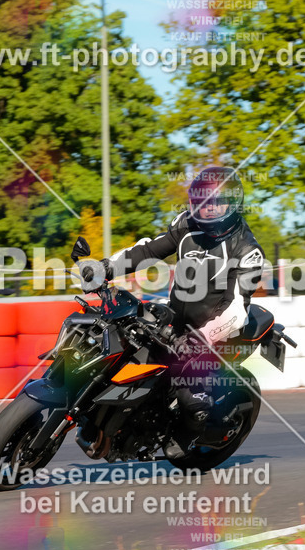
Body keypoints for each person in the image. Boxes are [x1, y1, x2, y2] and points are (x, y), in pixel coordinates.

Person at [96, 166, 266, 455]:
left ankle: (187, 436)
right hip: (175, 320)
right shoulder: (186, 225)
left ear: (233, 204)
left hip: (215, 333)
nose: (206, 209)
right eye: (200, 201)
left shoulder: (247, 250)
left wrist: (202, 338)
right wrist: (106, 268)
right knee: (126, 353)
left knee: (190, 392)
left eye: (214, 203)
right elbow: (148, 251)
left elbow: (238, 309)